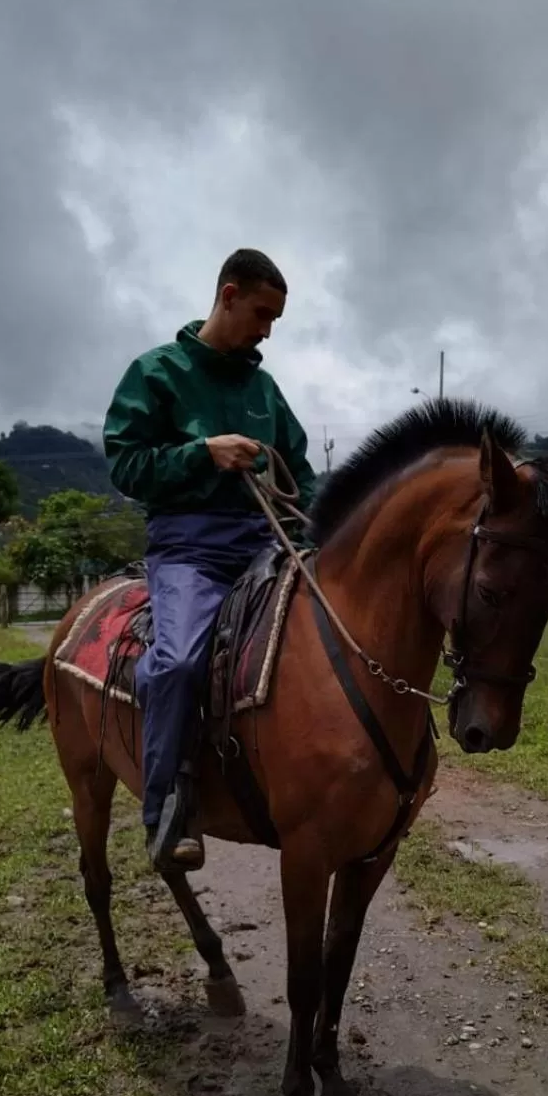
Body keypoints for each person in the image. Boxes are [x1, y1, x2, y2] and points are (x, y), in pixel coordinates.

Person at [103, 247, 317, 872]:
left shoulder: (264, 389)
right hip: (189, 546)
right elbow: (127, 465)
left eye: (275, 319)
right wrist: (203, 453)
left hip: (265, 540)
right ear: (227, 296)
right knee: (177, 663)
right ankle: (167, 807)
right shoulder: (156, 373)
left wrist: (325, 528)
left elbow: (300, 474)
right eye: (261, 313)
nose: (267, 331)